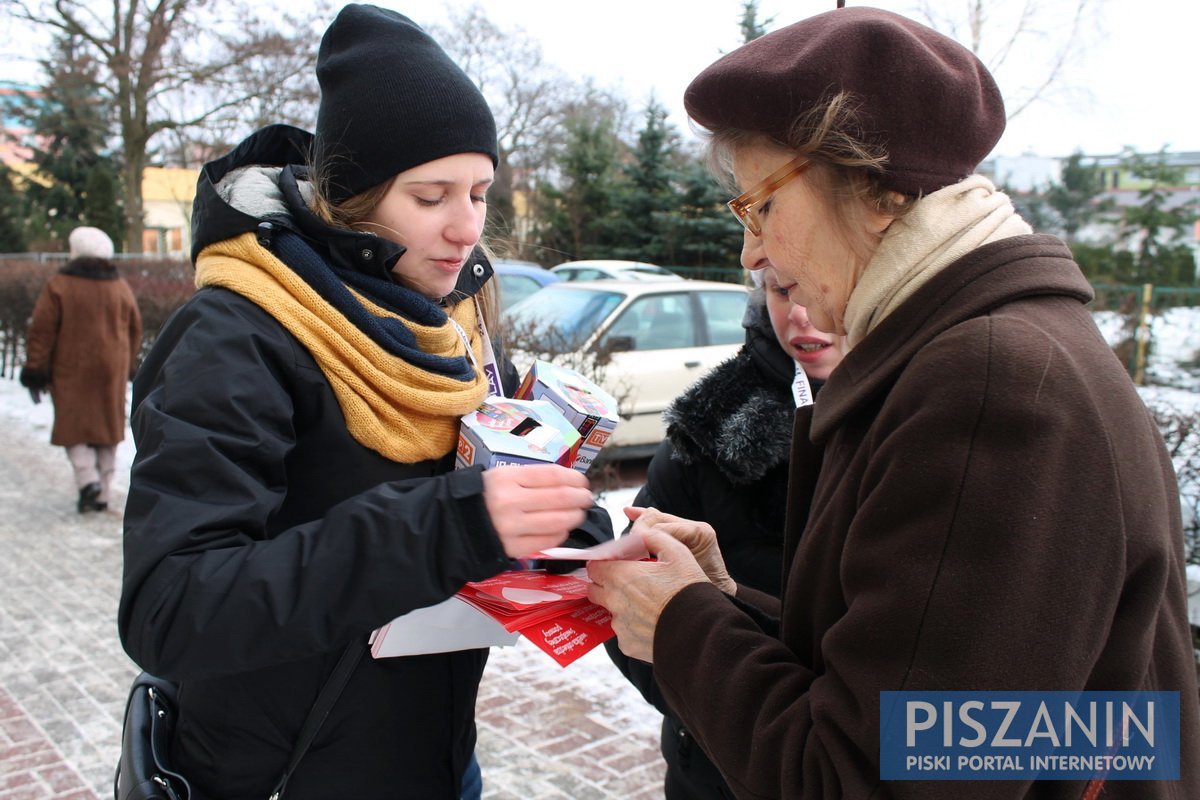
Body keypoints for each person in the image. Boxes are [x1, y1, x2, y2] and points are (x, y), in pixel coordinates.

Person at [587, 6, 1200, 799]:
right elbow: (983, 716)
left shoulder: (988, 386)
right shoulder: (1001, 346)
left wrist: (681, 627)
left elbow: (867, 777)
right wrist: (723, 604)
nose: (752, 252)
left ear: (872, 183)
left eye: (761, 203)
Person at [117, 6, 610, 799]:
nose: (465, 228)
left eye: (480, 192)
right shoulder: (237, 336)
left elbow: (491, 473)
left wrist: (562, 526)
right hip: (278, 775)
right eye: (431, 195)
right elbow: (170, 610)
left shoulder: (451, 323)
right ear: (354, 200)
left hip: (434, 763)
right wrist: (452, 523)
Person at [605, 270, 844, 799]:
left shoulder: (923, 428)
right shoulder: (706, 430)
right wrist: (705, 704)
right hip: (712, 771)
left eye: (819, 288)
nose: (801, 314)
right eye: (783, 291)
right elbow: (626, 606)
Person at [20, 225, 142, 513]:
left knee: (73, 427)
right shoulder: (119, 287)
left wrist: (36, 369)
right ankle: (103, 490)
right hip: (111, 368)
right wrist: (127, 361)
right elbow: (135, 329)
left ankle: (88, 481)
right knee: (108, 428)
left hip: (70, 367)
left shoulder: (59, 285)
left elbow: (41, 331)